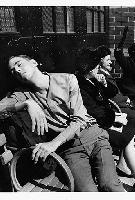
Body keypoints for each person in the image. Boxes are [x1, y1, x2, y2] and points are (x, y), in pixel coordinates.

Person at [0, 55, 125, 192]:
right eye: (12, 70)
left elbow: (79, 119)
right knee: (87, 192)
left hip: (94, 137)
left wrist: (52, 144)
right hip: (70, 149)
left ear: (34, 62)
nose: (16, 70)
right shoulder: (22, 94)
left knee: (110, 185)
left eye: (19, 64)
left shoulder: (67, 79)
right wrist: (26, 104)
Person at [75, 48, 135, 192]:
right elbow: (94, 111)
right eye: (96, 67)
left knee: (131, 125)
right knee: (127, 132)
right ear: (89, 69)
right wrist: (115, 117)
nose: (98, 69)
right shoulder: (81, 85)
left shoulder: (92, 79)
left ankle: (126, 168)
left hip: (104, 117)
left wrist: (104, 84)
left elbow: (113, 93)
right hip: (95, 123)